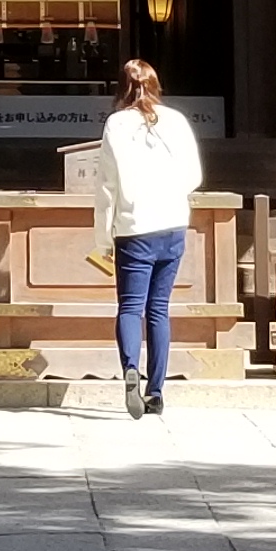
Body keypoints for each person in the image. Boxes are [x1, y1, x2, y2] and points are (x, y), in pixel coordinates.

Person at [100, 57, 202, 419]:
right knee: (159, 309)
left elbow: (107, 187)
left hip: (134, 226)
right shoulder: (175, 121)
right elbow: (194, 175)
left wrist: (102, 239)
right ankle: (156, 391)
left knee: (130, 306)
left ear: (122, 88)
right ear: (155, 85)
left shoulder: (115, 124)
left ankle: (130, 367)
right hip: (172, 223)